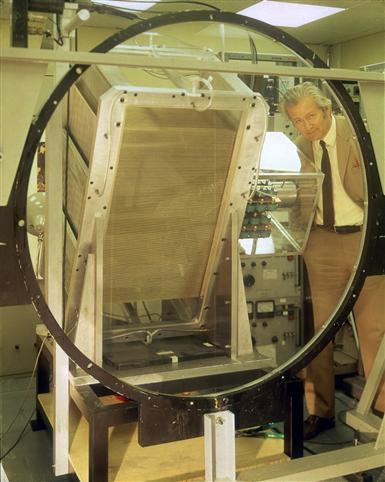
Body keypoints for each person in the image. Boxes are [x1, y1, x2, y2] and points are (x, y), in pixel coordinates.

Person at [280, 81, 385, 440]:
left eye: (311, 116)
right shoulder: (297, 147)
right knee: (321, 333)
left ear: (327, 110)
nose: (307, 126)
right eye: (298, 121)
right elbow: (298, 196)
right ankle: (320, 411)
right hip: (321, 243)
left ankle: (380, 413)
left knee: (375, 332)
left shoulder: (360, 136)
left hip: (363, 239)